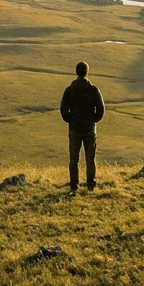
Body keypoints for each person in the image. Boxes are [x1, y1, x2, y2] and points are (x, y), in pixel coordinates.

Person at [60, 61, 105, 195]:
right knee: (90, 158)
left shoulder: (70, 90)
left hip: (74, 129)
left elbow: (63, 109)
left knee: (74, 158)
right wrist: (93, 120)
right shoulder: (93, 89)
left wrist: (70, 120)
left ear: (76, 72)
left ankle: (74, 185)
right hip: (89, 129)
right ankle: (90, 184)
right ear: (87, 72)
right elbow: (101, 109)